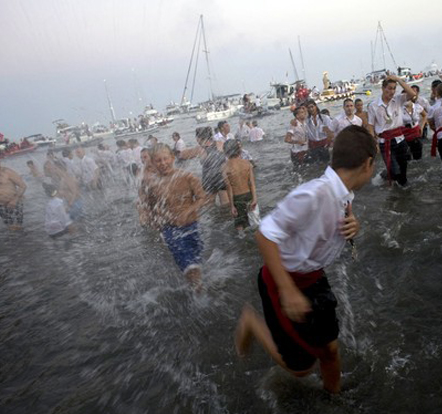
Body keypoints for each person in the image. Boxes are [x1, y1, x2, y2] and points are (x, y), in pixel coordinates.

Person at [234, 125, 378, 394]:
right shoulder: (312, 194)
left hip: (314, 277)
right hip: (283, 282)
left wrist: (353, 225)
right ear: (368, 164)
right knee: (301, 367)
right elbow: (264, 235)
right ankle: (252, 322)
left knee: (330, 350)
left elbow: (333, 222)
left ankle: (334, 402)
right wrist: (287, 291)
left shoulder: (343, 193)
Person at [145, 144, 208, 291]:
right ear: (153, 163)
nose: (163, 163)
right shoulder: (153, 184)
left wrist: (188, 211)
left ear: (172, 158)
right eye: (158, 160)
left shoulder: (187, 177)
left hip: (191, 225)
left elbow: (202, 198)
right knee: (187, 263)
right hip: (170, 229)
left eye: (165, 159)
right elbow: (150, 206)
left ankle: (195, 285)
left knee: (196, 260)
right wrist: (154, 221)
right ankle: (198, 290)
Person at [367, 74, 416, 186]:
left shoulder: (398, 99)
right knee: (395, 171)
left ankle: (402, 195)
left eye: (394, 88)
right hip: (385, 142)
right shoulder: (373, 106)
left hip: (400, 140)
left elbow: (413, 94)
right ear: (383, 88)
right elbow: (370, 125)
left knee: (403, 174)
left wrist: (398, 79)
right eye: (389, 88)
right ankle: (385, 174)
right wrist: (374, 142)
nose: (392, 91)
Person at [0, 154, 27, 231]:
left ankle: (24, 241)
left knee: (16, 227)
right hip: (0, 206)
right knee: (9, 227)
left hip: (13, 203)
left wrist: (15, 200)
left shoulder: (7, 172)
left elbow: (23, 186)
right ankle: (17, 242)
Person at [224, 139, 258, 233]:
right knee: (254, 222)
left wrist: (232, 206)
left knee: (239, 224)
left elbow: (229, 189)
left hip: (237, 198)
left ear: (226, 152)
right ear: (239, 150)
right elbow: (252, 183)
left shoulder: (224, 167)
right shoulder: (247, 163)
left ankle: (242, 240)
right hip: (249, 196)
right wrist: (254, 199)